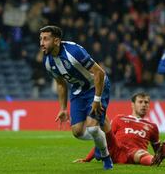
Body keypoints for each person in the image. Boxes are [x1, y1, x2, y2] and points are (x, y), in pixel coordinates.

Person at [39, 25, 113, 170]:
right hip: (78, 90)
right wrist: (63, 108)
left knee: (92, 128)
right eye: (40, 39)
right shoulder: (48, 61)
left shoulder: (73, 51)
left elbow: (99, 73)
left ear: (56, 41)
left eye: (45, 39)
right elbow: (60, 83)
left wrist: (97, 100)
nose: (42, 43)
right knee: (77, 132)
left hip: (97, 85)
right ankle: (103, 137)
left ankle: (106, 158)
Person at [75, 92, 165, 166]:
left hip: (134, 153)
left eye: (146, 102)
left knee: (142, 153)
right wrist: (87, 159)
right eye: (140, 102)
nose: (144, 105)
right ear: (132, 105)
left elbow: (160, 150)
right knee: (105, 121)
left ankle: (153, 161)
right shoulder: (120, 118)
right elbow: (103, 140)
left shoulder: (152, 126)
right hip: (116, 149)